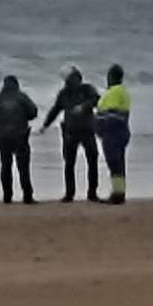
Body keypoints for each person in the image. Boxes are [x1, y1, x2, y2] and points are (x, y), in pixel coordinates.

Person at [41, 66, 101, 203]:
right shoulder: (64, 93)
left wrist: (84, 106)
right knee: (69, 163)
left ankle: (92, 193)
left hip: (87, 130)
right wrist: (45, 125)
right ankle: (69, 193)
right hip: (70, 131)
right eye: (71, 78)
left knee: (92, 160)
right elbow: (55, 110)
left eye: (76, 77)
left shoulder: (87, 89)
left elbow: (97, 100)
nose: (75, 80)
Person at [0, 75, 37, 203]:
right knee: (23, 166)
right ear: (16, 84)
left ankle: (7, 196)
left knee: (5, 165)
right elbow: (33, 112)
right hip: (20, 134)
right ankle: (27, 196)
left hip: (3, 136)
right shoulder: (22, 97)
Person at [95, 64, 132, 205]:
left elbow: (111, 115)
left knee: (114, 163)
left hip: (112, 134)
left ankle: (117, 194)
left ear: (112, 77)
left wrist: (98, 123)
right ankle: (120, 192)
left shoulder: (114, 93)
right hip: (121, 132)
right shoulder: (123, 92)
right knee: (119, 164)